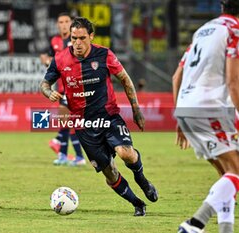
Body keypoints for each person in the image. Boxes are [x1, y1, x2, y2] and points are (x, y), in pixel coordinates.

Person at [40, 17, 158, 216]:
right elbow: (44, 83)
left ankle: (141, 179)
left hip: (108, 116)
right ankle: (137, 203)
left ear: (91, 37)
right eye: (74, 38)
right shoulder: (60, 58)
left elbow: (126, 81)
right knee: (110, 172)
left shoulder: (104, 55)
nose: (77, 43)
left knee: (125, 153)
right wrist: (48, 92)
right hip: (84, 125)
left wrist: (136, 110)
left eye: (82, 38)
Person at [173, 1, 239, 232]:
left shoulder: (203, 30)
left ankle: (225, 229)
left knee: (230, 175)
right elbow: (233, 81)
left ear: (222, 7)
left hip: (188, 107)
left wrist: (180, 116)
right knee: (236, 172)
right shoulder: (234, 31)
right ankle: (194, 224)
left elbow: (176, 76)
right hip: (210, 107)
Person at [40, 12, 85, 166]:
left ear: (71, 23)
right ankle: (63, 155)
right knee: (65, 122)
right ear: (57, 24)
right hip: (61, 86)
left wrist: (54, 61)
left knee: (71, 122)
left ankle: (79, 157)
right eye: (61, 22)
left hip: (74, 86)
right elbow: (45, 57)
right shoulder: (54, 40)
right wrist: (47, 61)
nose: (64, 24)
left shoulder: (75, 41)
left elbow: (74, 60)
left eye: (66, 21)